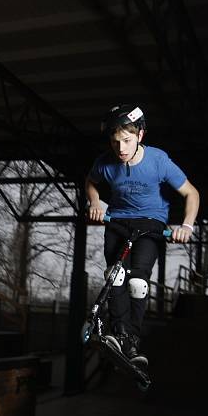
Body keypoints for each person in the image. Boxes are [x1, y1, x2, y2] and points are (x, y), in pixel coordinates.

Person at [85, 104, 200, 367]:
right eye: (115, 142)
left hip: (151, 223)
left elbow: (192, 193)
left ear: (140, 135)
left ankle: (133, 338)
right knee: (115, 275)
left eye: (126, 140)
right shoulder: (104, 163)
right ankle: (121, 334)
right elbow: (90, 182)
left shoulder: (158, 161)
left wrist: (187, 226)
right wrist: (95, 203)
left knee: (138, 281)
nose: (121, 149)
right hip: (117, 221)